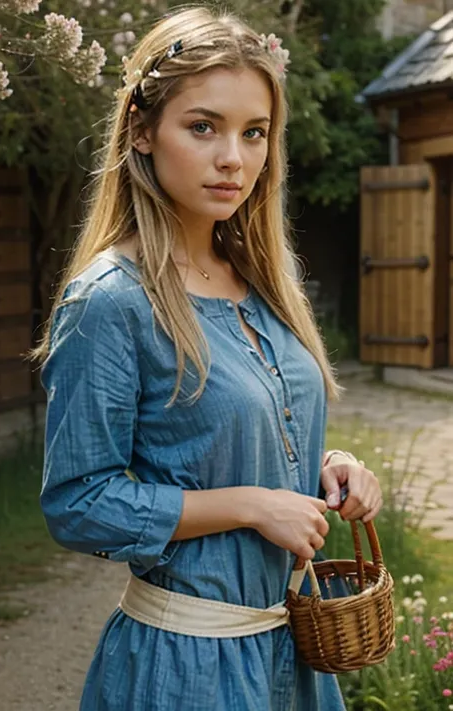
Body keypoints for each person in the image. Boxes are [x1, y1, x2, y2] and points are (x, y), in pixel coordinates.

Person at [36, 6, 383, 710]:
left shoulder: (262, 284)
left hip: (297, 659)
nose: (235, 157)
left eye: (254, 133)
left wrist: (325, 468)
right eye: (204, 126)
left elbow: (231, 429)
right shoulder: (111, 300)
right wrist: (251, 505)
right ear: (141, 130)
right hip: (188, 667)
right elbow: (78, 502)